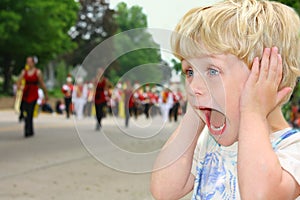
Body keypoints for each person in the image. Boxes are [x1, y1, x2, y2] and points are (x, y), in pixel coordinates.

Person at [151, 0, 300, 199]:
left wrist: (253, 113)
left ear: (270, 76)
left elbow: (259, 196)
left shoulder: (292, 149)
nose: (193, 87)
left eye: (212, 71)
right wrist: (195, 114)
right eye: (189, 72)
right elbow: (164, 190)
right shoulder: (209, 142)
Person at [16, 56, 48, 138]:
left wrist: (46, 95)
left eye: (30, 62)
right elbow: (18, 82)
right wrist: (20, 87)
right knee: (24, 110)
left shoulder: (37, 72)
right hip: (26, 93)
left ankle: (28, 130)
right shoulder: (24, 72)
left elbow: (42, 83)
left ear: (33, 63)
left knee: (30, 112)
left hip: (33, 94)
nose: (28, 63)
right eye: (27, 62)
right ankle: (29, 128)